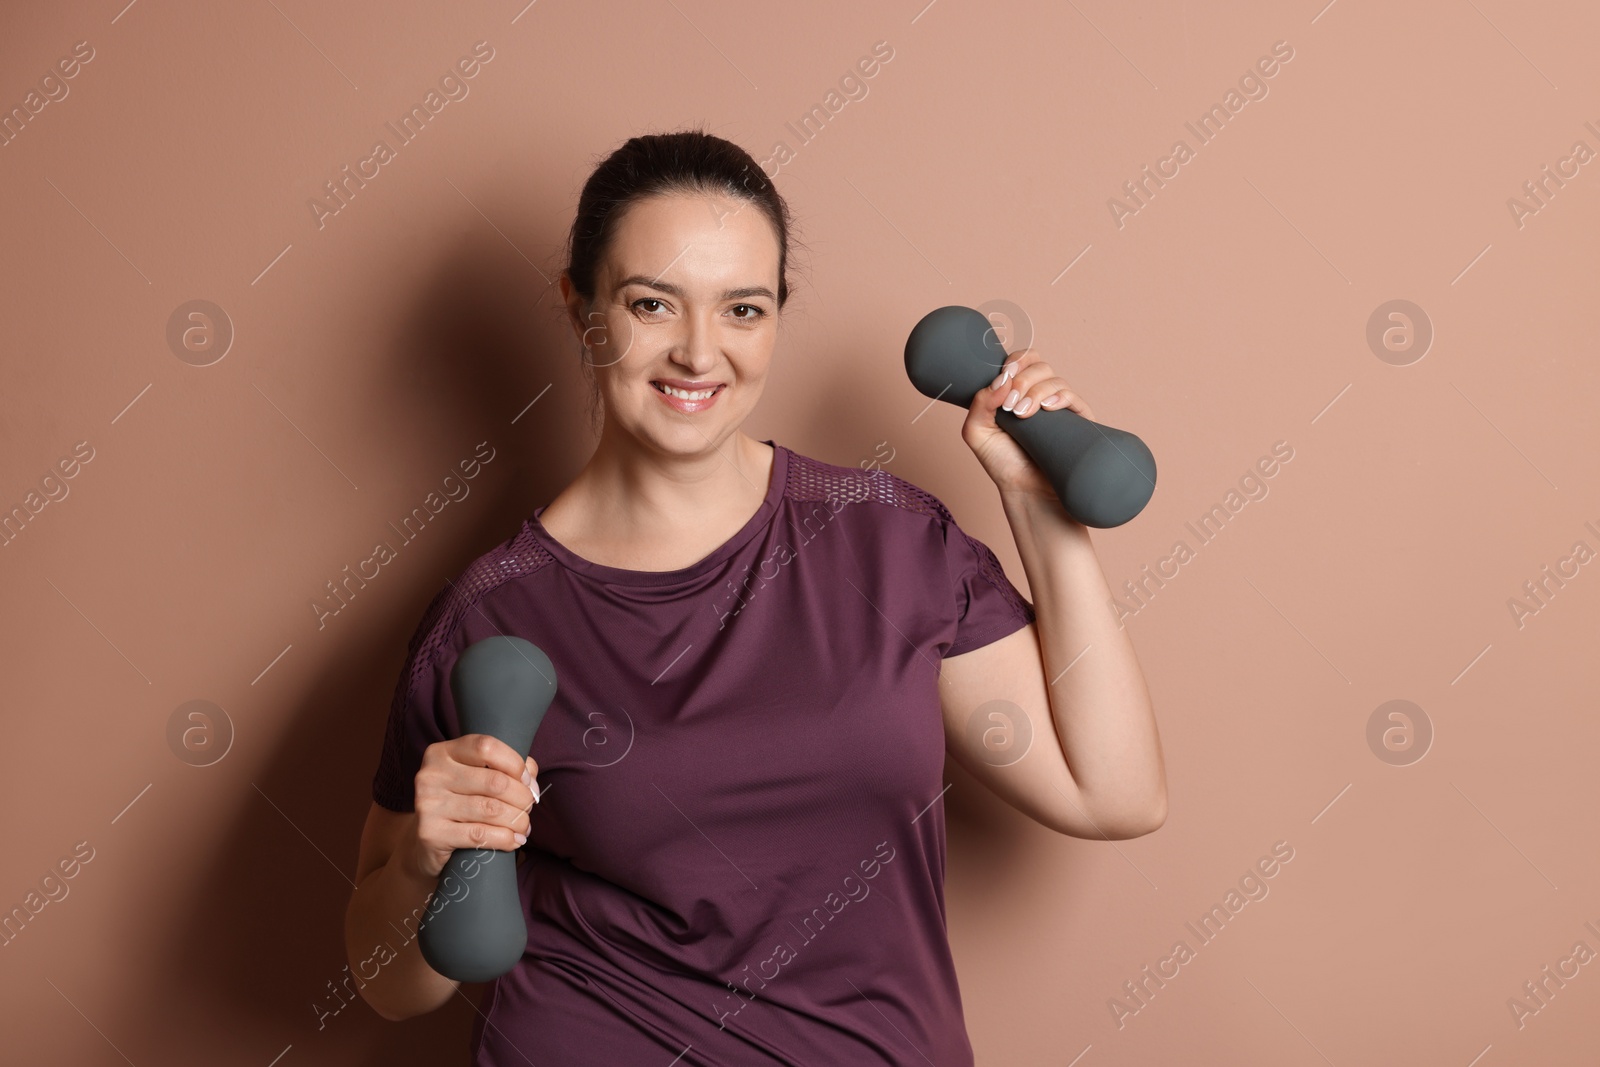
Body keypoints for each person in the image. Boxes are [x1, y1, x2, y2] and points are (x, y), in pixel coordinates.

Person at [344, 127, 1167, 1065]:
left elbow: (1117, 793)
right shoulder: (490, 617)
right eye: (653, 303)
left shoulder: (889, 540)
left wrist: (1034, 500)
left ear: (778, 314)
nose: (701, 354)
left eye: (742, 308)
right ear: (580, 310)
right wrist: (423, 857)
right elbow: (389, 983)